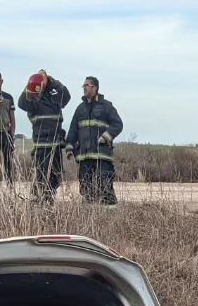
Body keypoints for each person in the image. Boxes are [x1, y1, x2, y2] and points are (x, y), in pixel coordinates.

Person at [66, 75, 123, 205]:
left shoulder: (106, 106)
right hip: (84, 158)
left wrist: (106, 137)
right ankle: (90, 220)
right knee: (86, 190)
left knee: (105, 188)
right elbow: (73, 129)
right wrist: (69, 146)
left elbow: (118, 124)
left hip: (102, 157)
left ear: (95, 87)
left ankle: (110, 218)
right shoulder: (80, 108)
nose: (84, 88)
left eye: (87, 85)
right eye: (84, 86)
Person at [18, 70, 70, 203]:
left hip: (56, 143)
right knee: (41, 176)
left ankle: (47, 196)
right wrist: (29, 85)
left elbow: (66, 96)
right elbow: (21, 103)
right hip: (41, 146)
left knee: (57, 174)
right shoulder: (31, 102)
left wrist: (50, 80)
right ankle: (39, 200)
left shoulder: (54, 98)